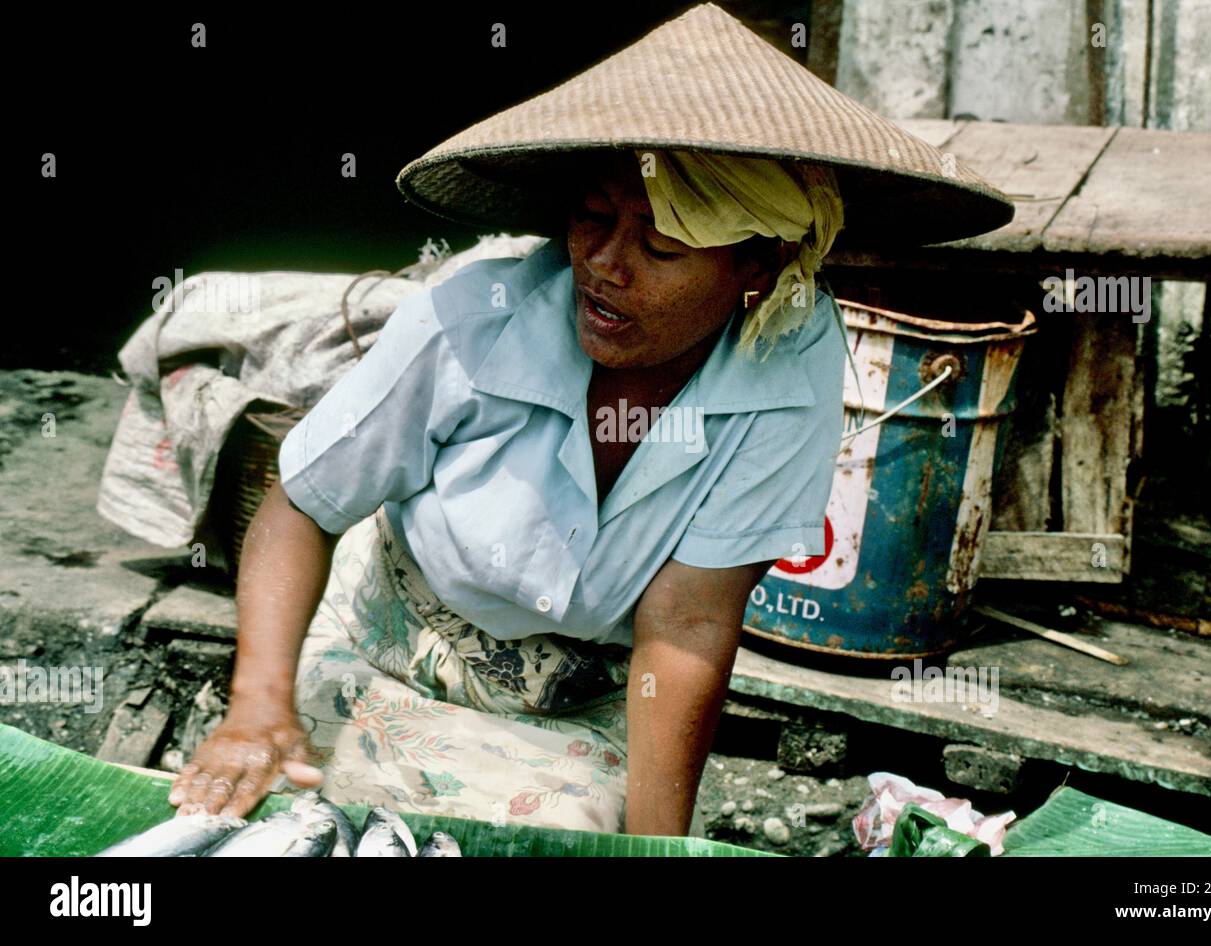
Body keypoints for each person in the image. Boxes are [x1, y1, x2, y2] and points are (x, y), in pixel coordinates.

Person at [166, 3, 1011, 837]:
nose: (604, 267)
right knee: (279, 825)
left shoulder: (790, 367)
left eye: (661, 247)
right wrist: (257, 709)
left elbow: (688, 620)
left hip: (581, 711)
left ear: (759, 265)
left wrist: (656, 848)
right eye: (592, 219)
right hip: (375, 658)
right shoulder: (470, 317)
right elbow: (304, 503)